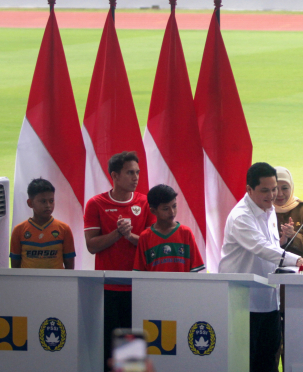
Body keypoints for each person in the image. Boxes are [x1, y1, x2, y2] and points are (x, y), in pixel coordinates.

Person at [218, 162, 303, 372]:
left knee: (268, 362)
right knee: (244, 363)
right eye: (265, 190)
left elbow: (271, 248)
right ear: (249, 190)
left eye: (274, 188)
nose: (273, 195)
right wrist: (298, 261)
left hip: (269, 301)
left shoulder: (267, 210)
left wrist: (282, 246)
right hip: (242, 304)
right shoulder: (241, 216)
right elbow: (261, 247)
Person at [84, 151, 155, 371]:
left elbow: (150, 245)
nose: (136, 177)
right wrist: (116, 233)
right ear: (114, 175)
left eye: (138, 172)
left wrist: (129, 236)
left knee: (134, 346)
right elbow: (91, 245)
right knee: (110, 345)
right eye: (130, 172)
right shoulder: (96, 204)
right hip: (109, 287)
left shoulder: (145, 202)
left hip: (138, 286)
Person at [133, 184, 205, 273]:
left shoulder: (186, 233)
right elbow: (140, 273)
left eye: (174, 206)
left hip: (182, 286)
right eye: (166, 209)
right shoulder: (145, 237)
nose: (172, 212)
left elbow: (195, 269)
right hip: (155, 286)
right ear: (153, 211)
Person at [9, 178, 75, 269]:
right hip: (29, 282)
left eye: (51, 201)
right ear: (30, 203)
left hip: (56, 282)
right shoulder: (19, 230)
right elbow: (15, 267)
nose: (48, 205)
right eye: (43, 201)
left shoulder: (64, 229)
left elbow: (70, 265)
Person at [273, 166, 303, 257]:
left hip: (300, 268)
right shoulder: (263, 210)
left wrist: (293, 235)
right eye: (275, 188)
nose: (280, 194)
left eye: (285, 188)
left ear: (292, 187)